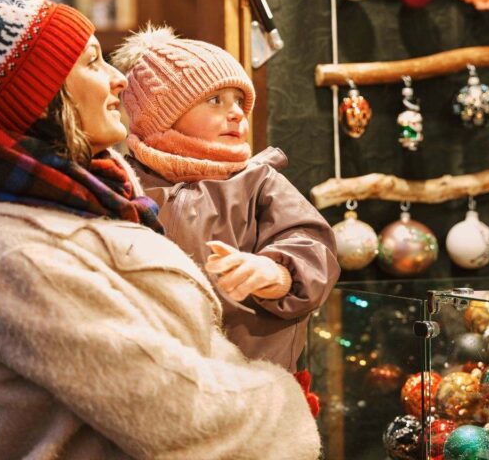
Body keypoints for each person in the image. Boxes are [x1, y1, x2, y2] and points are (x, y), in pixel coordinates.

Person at [0, 0, 321, 459]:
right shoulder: (20, 256)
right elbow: (174, 412)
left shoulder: (91, 199)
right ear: (44, 94)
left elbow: (306, 245)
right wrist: (285, 403)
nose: (119, 78)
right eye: (93, 62)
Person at [112, 25, 339, 373]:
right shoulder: (124, 182)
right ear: (162, 115)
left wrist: (277, 272)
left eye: (239, 102)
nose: (236, 113)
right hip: (149, 373)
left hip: (253, 377)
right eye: (215, 100)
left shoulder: (257, 181)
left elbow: (311, 243)